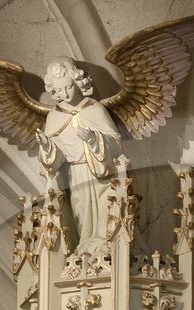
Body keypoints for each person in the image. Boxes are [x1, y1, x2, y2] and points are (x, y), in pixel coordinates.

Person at [35, 57, 122, 253]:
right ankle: (85, 248)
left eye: (68, 87)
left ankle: (104, 248)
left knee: (105, 213)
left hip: (100, 174)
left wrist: (94, 140)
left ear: (78, 82)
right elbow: (54, 160)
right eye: (58, 91)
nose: (64, 94)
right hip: (75, 175)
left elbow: (116, 144)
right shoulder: (54, 116)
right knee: (81, 215)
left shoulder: (94, 108)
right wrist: (48, 147)